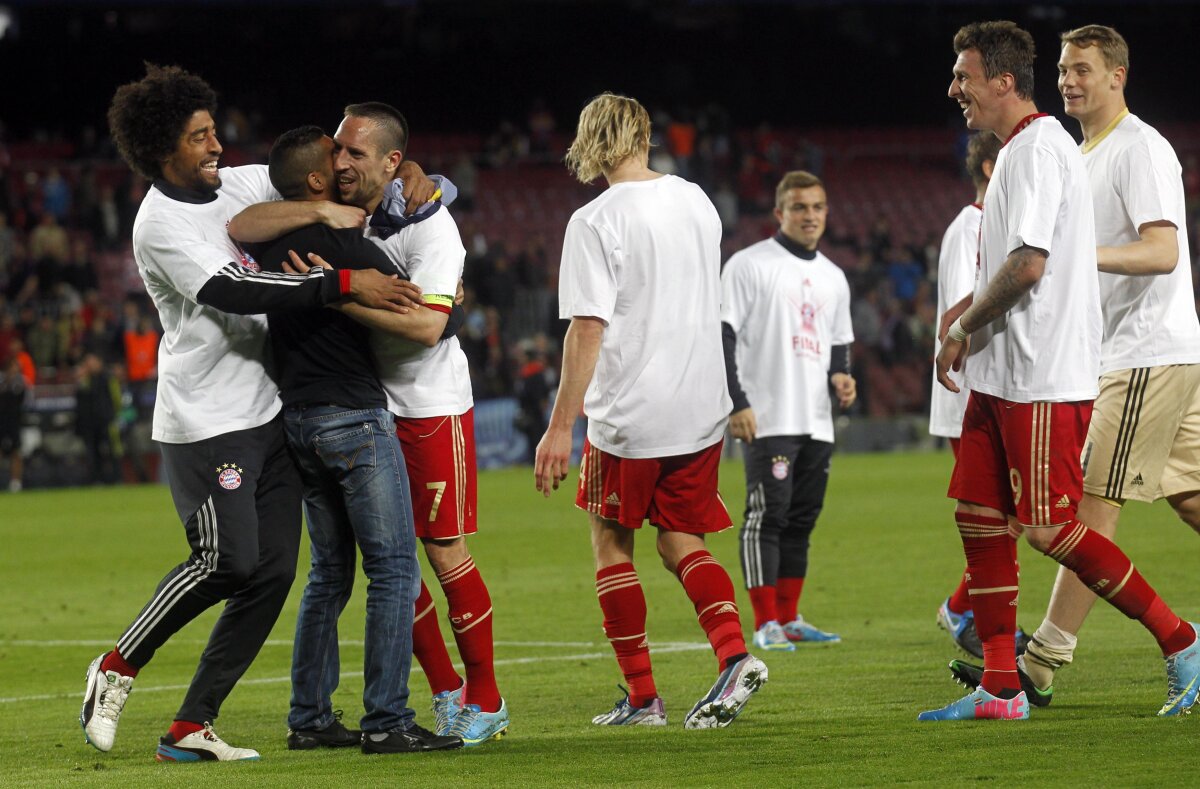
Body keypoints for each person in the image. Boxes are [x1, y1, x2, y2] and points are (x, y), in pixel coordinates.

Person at [81, 64, 430, 762]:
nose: (217, 146)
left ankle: (190, 724)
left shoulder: (229, 183)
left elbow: (305, 179)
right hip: (209, 421)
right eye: (199, 136)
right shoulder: (159, 226)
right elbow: (237, 288)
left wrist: (409, 175)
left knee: (271, 572)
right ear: (162, 151)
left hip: (270, 410)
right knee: (227, 558)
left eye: (214, 130)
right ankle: (117, 665)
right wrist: (341, 279)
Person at [921, 21, 1199, 722]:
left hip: (1058, 371)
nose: (954, 88)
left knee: (1059, 524)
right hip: (1004, 374)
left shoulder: (1047, 150)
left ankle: (1181, 643)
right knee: (980, 518)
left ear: (1003, 82)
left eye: (964, 75)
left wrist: (962, 327)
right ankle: (1002, 685)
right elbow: (1006, 262)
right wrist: (962, 319)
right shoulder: (1036, 150)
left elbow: (1032, 263)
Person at [231, 102, 508, 747]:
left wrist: (337, 290)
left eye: (355, 153)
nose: (341, 162)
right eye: (337, 152)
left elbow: (427, 326)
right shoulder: (353, 216)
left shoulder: (434, 228)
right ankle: (443, 695)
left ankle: (486, 697)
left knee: (439, 552)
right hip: (368, 412)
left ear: (388, 161)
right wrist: (338, 280)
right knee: (391, 564)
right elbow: (246, 223)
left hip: (429, 405)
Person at [534, 92, 767, 729]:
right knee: (680, 539)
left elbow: (587, 328)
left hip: (632, 411)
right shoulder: (696, 200)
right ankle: (734, 655)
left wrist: (560, 427)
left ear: (589, 141)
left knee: (612, 544)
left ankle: (643, 699)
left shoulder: (594, 221)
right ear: (644, 135)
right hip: (699, 404)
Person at [720, 170, 855, 652]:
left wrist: (841, 377)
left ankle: (790, 616)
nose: (810, 216)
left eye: (818, 207)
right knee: (767, 515)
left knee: (802, 518)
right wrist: (737, 402)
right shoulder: (749, 265)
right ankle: (764, 623)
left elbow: (838, 345)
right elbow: (724, 335)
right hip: (768, 415)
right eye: (800, 208)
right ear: (779, 213)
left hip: (816, 419)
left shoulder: (834, 278)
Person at [931, 133, 1034, 660]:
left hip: (987, 392)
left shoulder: (985, 226)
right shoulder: (970, 227)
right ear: (994, 168)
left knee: (1010, 521)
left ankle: (971, 611)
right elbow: (958, 312)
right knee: (1002, 522)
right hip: (970, 394)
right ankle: (973, 617)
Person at [0, 355, 25, 492]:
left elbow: (24, 400)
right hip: (1, 422)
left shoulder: (20, 383)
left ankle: (16, 482)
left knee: (16, 452)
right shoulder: (1, 382)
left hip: (15, 422)